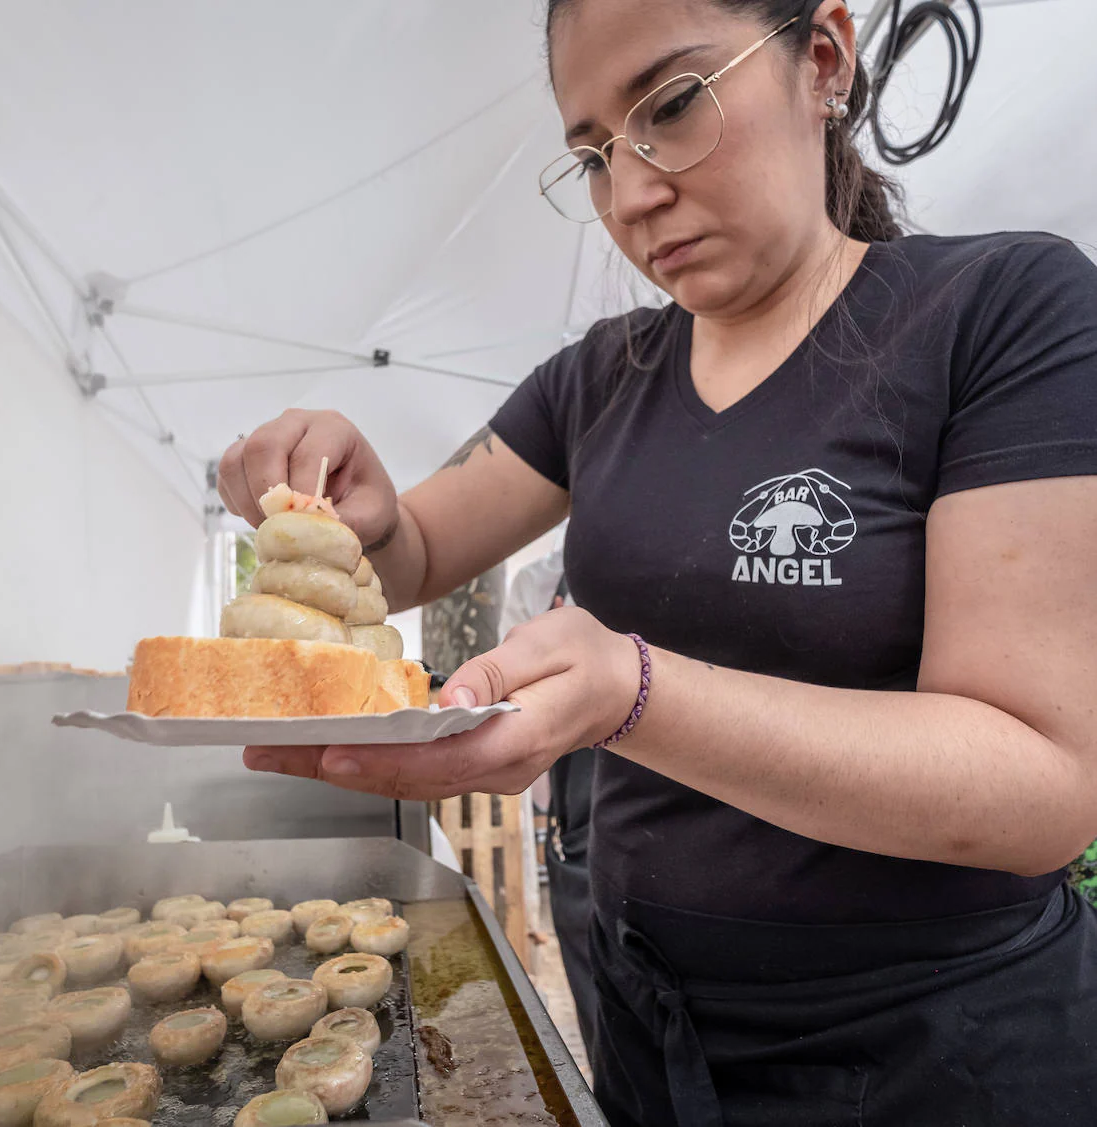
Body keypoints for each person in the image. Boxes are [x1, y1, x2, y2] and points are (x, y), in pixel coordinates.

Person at [216, 1, 1097, 1122]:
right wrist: (361, 510)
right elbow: (414, 553)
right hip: (647, 1015)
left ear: (823, 59)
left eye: (672, 106)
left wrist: (633, 692)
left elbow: (1041, 786)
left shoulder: (1001, 312)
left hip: (937, 1045)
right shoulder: (602, 376)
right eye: (591, 155)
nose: (629, 197)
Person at [499, 533, 600, 1065]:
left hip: (677, 829)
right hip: (580, 835)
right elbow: (512, 703)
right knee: (605, 1035)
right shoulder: (537, 584)